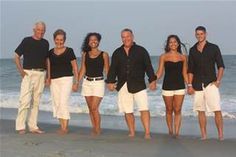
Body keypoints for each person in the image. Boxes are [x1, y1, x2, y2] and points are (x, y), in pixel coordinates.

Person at [106, 28, 157, 139]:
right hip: (123, 85)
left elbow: (148, 66)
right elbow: (113, 68)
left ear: (132, 36)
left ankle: (147, 132)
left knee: (144, 108)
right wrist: (110, 82)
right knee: (127, 110)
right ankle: (132, 132)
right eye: (123, 37)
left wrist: (152, 80)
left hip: (139, 84)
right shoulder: (117, 52)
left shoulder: (141, 50)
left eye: (127, 36)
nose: (126, 39)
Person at [187, 26, 225, 140]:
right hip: (197, 84)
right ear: (195, 35)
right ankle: (204, 135)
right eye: (197, 34)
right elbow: (190, 70)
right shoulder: (193, 50)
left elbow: (221, 66)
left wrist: (218, 81)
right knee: (200, 110)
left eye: (201, 34)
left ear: (205, 34)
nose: (199, 36)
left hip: (211, 83)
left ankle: (220, 135)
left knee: (217, 109)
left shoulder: (214, 48)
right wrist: (189, 85)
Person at [14, 21, 50, 134]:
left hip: (41, 73)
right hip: (28, 73)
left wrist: (48, 75)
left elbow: (47, 59)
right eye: (39, 30)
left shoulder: (45, 43)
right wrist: (21, 71)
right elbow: (16, 56)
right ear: (34, 30)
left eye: (43, 30)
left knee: (36, 101)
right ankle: (20, 126)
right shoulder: (26, 40)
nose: (41, 32)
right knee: (24, 100)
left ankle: (33, 126)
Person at [156, 35, 188, 138]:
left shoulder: (183, 57)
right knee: (169, 109)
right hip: (167, 86)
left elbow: (185, 74)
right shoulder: (163, 56)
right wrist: (152, 80)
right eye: (170, 42)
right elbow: (160, 73)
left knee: (178, 109)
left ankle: (177, 132)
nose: (173, 44)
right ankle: (170, 130)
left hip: (180, 86)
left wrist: (190, 85)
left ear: (178, 43)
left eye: (175, 42)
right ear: (168, 44)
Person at [78, 32, 109, 136]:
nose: (93, 41)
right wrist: (77, 82)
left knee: (94, 107)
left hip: (98, 83)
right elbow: (83, 69)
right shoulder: (85, 54)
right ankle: (94, 128)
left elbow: (107, 70)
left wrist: (111, 82)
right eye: (91, 40)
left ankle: (98, 129)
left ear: (98, 41)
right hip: (87, 82)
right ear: (88, 42)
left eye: (95, 39)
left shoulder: (104, 54)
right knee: (90, 108)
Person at [48, 29, 79, 134]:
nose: (59, 42)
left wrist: (76, 82)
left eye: (61, 40)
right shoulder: (50, 53)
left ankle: (65, 128)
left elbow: (75, 67)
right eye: (57, 39)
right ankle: (62, 125)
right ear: (54, 40)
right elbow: (48, 67)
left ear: (64, 40)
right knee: (56, 102)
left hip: (67, 79)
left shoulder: (69, 51)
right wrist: (47, 79)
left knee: (63, 102)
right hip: (54, 80)